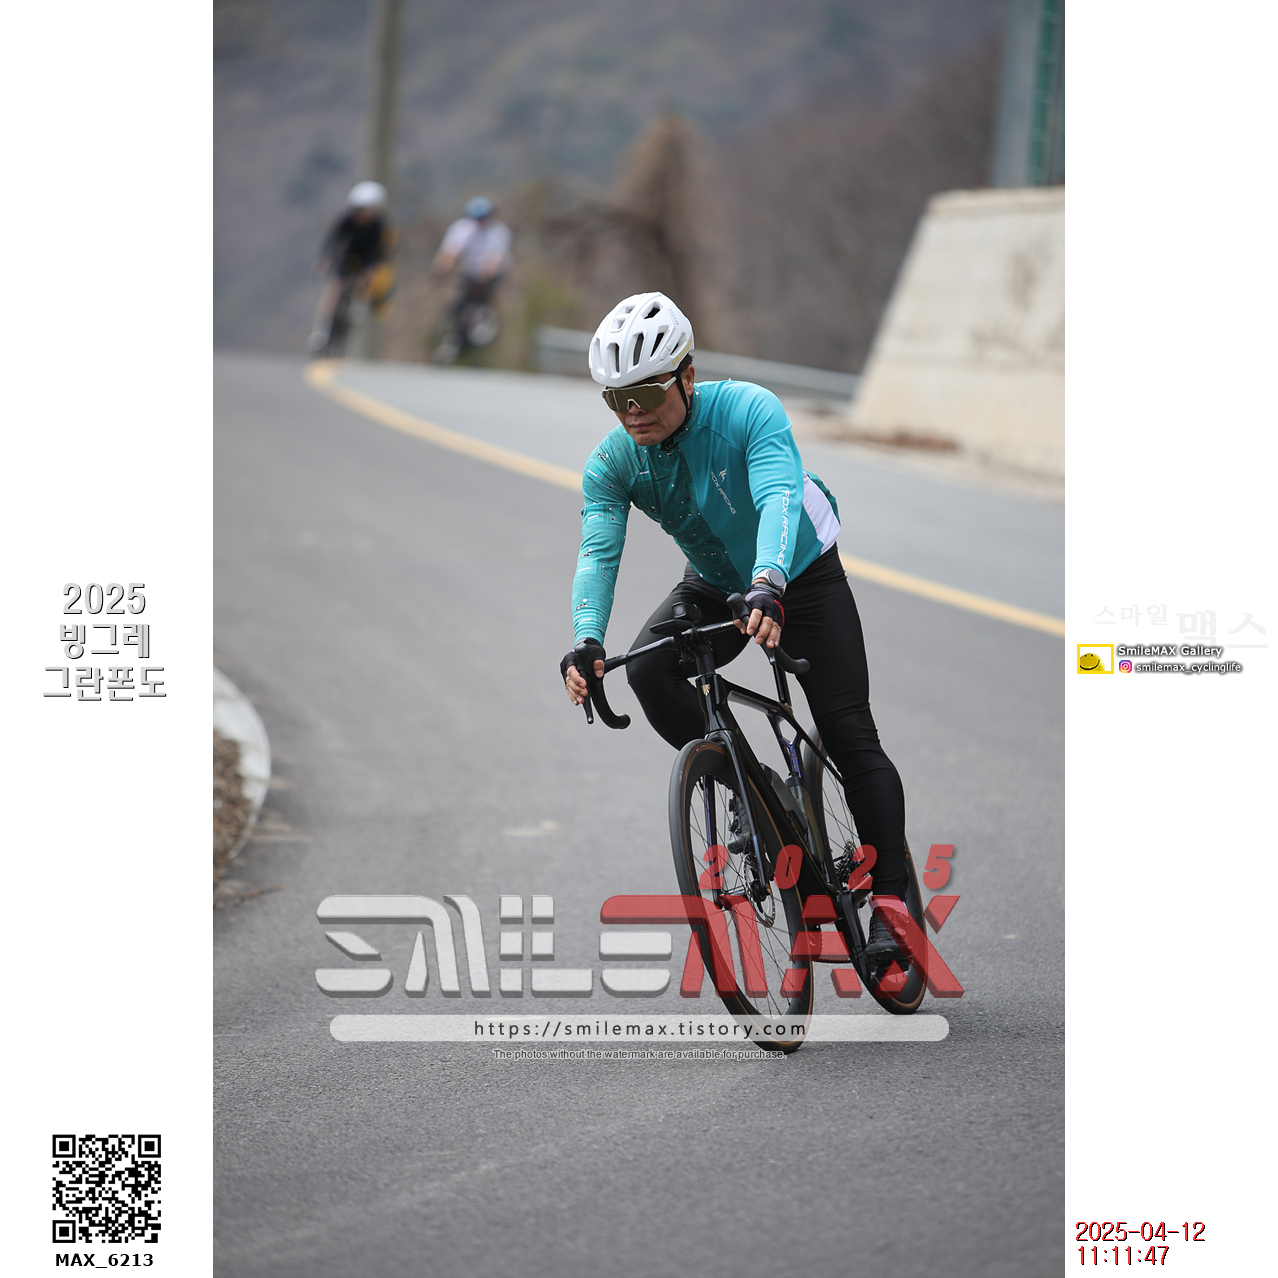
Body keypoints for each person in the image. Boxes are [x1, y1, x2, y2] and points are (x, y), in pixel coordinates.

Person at [561, 292, 912, 962]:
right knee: (649, 669)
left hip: (800, 572)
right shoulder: (613, 463)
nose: (633, 412)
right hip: (717, 580)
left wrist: (770, 583)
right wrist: (586, 641)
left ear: (687, 375)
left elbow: (778, 496)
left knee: (847, 731)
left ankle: (892, 906)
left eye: (646, 392)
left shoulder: (750, 410)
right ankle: (756, 796)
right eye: (616, 399)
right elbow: (598, 553)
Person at [309, 181, 394, 356]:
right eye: (361, 209)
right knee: (335, 287)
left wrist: (374, 268)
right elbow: (333, 241)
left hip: (367, 257)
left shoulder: (378, 226)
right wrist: (325, 259)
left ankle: (360, 303)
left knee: (370, 276)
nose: (364, 214)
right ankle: (320, 330)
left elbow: (381, 250)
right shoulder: (346, 220)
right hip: (346, 255)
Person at [430, 196, 513, 363]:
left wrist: (485, 275)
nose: (479, 222)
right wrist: (440, 270)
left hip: (491, 274)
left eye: (483, 217)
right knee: (459, 305)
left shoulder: (498, 232)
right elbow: (449, 252)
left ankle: (484, 323)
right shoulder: (462, 228)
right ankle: (452, 339)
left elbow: (494, 258)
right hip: (468, 273)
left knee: (483, 300)